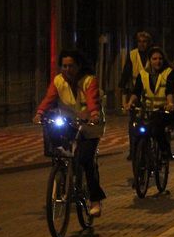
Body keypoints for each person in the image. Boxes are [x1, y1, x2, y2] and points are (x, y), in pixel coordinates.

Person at [33, 49, 106, 217]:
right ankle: (63, 177)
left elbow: (92, 100)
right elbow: (49, 99)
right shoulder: (58, 81)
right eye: (64, 66)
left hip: (90, 127)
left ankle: (95, 200)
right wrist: (40, 113)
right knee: (58, 149)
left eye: (70, 66)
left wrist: (93, 114)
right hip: (70, 124)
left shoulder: (89, 80)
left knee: (87, 160)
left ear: (79, 66)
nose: (66, 69)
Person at [126, 46, 174, 159]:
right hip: (147, 111)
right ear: (149, 60)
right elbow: (136, 92)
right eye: (154, 59)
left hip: (163, 111)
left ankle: (165, 151)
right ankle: (138, 155)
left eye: (160, 58)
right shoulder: (143, 74)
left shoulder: (169, 73)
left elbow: (169, 91)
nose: (157, 61)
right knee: (136, 129)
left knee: (156, 129)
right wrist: (130, 102)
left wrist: (170, 104)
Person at [119, 31, 152, 160]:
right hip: (136, 93)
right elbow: (126, 71)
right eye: (139, 41)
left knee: (151, 121)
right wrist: (122, 86)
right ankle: (133, 150)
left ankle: (150, 147)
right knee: (133, 123)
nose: (142, 44)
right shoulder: (132, 55)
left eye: (144, 42)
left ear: (149, 43)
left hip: (151, 94)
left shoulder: (153, 55)